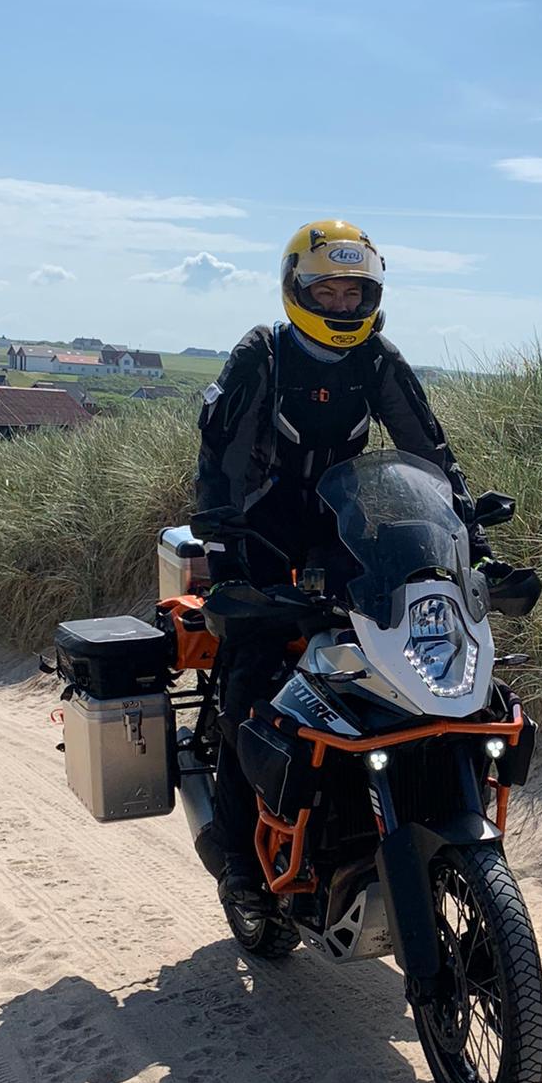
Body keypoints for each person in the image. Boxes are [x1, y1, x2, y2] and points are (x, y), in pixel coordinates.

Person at [192, 218, 495, 914]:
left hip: (344, 531)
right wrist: (225, 557)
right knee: (250, 682)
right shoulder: (263, 355)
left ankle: (385, 815)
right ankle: (240, 866)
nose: (341, 305)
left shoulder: (376, 359)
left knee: (397, 662)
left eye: (353, 292)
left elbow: (427, 448)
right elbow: (221, 457)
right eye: (326, 291)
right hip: (260, 535)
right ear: (296, 289)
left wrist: (471, 538)